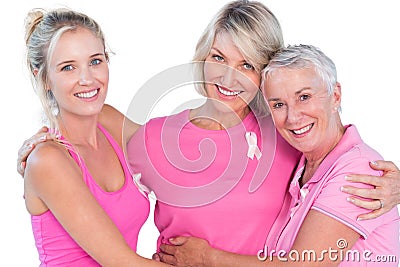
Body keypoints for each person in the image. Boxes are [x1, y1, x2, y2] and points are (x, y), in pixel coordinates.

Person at [18, 0, 400, 263]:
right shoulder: (154, 140)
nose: (227, 77)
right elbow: (89, 108)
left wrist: (397, 183)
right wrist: (41, 134)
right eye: (218, 57)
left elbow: (340, 157)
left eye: (247, 65)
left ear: (265, 78)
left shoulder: (285, 135)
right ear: (202, 58)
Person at [157, 44, 400, 266]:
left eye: (304, 97)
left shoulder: (357, 171)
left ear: (335, 95)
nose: (293, 117)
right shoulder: (302, 163)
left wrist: (206, 258)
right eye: (278, 104)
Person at [23, 7, 170, 266]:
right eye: (68, 67)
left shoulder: (110, 121)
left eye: (95, 61)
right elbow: (123, 262)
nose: (87, 79)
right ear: (43, 78)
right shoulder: (48, 160)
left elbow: (176, 155)